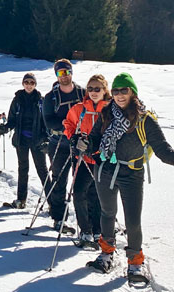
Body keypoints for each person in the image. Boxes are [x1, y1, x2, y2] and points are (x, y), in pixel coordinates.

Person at [79, 73, 174, 281]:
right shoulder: (106, 112)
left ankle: (135, 263)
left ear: (133, 93)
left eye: (124, 90)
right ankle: (106, 253)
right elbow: (95, 139)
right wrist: (85, 144)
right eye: (116, 91)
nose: (120, 95)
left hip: (132, 173)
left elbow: (161, 149)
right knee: (107, 213)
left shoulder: (144, 119)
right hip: (106, 170)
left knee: (133, 221)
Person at [63, 74, 110, 249]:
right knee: (79, 193)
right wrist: (73, 138)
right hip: (82, 158)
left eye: (97, 88)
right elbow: (68, 123)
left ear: (105, 90)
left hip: (102, 159)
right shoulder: (79, 108)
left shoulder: (110, 109)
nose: (93, 92)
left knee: (98, 196)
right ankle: (86, 230)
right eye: (90, 88)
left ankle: (98, 230)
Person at [42, 59, 85, 234]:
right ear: (56, 75)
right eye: (60, 73)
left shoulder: (83, 92)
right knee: (59, 180)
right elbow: (49, 121)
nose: (64, 76)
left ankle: (87, 223)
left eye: (66, 72)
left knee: (82, 183)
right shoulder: (50, 98)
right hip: (59, 143)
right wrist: (69, 126)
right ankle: (59, 218)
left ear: (71, 72)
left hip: (80, 144)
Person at [0, 73, 48, 209]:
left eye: (31, 82)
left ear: (35, 84)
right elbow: (12, 119)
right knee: (23, 169)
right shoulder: (17, 100)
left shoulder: (41, 101)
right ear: (23, 84)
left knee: (42, 171)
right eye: (26, 82)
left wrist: (47, 138)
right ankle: (21, 199)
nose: (29, 85)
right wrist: (5, 128)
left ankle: (53, 204)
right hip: (21, 140)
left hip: (38, 141)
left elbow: (45, 122)